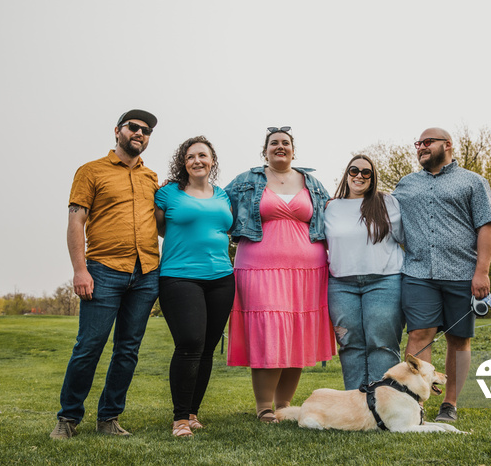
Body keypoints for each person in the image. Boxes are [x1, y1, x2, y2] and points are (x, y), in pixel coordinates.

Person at [51, 109, 161, 439]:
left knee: (127, 350)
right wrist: (79, 270)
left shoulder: (151, 177)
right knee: (89, 346)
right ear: (118, 131)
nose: (140, 133)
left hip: (146, 274)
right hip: (103, 272)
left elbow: (162, 223)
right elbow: (76, 221)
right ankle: (68, 418)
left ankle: (109, 418)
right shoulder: (90, 171)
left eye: (146, 130)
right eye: (134, 127)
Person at [224, 126, 336, 423]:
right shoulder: (246, 181)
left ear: (293, 150)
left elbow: (335, 215)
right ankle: (264, 407)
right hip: (258, 268)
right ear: (265, 150)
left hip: (309, 271)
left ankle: (284, 405)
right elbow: (216, 204)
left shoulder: (312, 183)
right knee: (268, 333)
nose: (280, 147)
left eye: (285, 143)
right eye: (274, 143)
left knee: (297, 335)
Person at [393, 127, 491, 423]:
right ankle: (415, 404)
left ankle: (449, 404)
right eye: (418, 143)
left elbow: (487, 227)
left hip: (462, 274)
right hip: (417, 273)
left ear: (447, 145)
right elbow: (381, 213)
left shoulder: (474, 183)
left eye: (428, 142)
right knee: (418, 335)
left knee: (458, 339)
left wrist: (482, 272)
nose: (421, 147)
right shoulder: (405, 184)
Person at [154, 136, 235, 437]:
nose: (197, 161)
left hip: (222, 278)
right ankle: (179, 420)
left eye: (203, 155)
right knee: (189, 343)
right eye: (190, 157)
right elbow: (160, 228)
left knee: (207, 349)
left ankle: (192, 412)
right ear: (183, 163)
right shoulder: (167, 194)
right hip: (179, 276)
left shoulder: (223, 196)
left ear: (212, 160)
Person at [324, 155, 405, 390]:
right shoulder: (330, 207)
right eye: (354, 170)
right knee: (350, 344)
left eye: (366, 172)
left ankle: (383, 403)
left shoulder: (387, 202)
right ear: (347, 173)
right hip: (341, 285)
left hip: (384, 282)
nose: (359, 175)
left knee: (382, 343)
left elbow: (404, 239)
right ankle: (356, 403)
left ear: (372, 178)